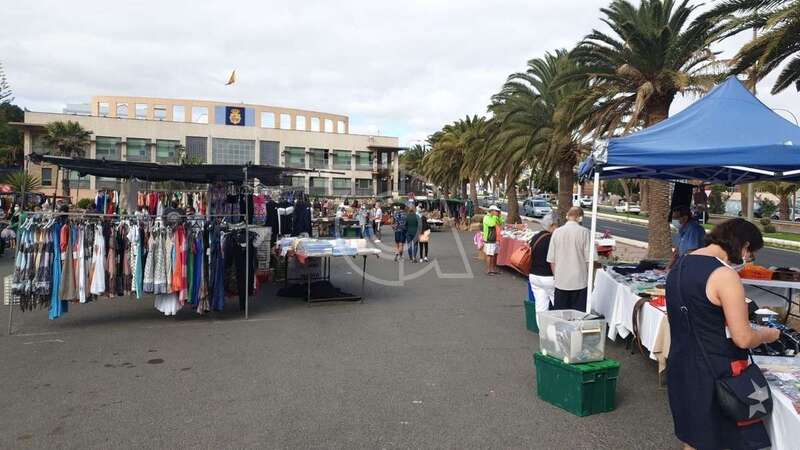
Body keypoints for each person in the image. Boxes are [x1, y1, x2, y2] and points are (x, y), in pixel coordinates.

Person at [666, 219, 780, 450]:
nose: (748, 259)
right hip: (716, 371)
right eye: (750, 253)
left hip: (681, 364)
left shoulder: (681, 263)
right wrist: (768, 334)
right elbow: (743, 338)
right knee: (720, 439)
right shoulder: (724, 275)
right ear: (743, 245)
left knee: (693, 438)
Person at [546, 206, 593, 311]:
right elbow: (589, 260)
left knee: (561, 314)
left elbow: (551, 260)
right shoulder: (585, 232)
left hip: (561, 280)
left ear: (567, 216)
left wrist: (556, 275)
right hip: (579, 280)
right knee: (578, 315)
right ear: (580, 218)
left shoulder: (556, 232)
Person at [528, 213, 557, 315]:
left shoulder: (536, 237)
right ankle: (557, 329)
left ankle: (543, 330)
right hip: (549, 276)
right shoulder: (552, 239)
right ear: (552, 225)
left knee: (540, 308)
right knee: (558, 307)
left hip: (534, 275)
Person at [482, 205, 504, 275]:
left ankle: (493, 269)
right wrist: (495, 216)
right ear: (491, 211)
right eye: (496, 211)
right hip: (489, 239)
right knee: (490, 255)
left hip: (496, 239)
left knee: (495, 254)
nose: (497, 212)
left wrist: (499, 216)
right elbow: (491, 224)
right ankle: (489, 270)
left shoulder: (495, 217)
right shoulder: (486, 217)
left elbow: (501, 222)